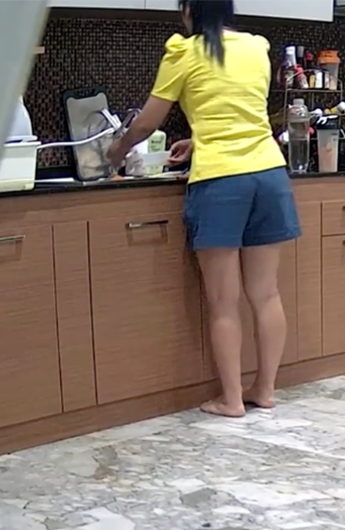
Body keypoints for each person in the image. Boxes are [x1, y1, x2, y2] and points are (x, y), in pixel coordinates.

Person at [107, 0, 298, 418]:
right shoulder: (255, 47)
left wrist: (116, 151)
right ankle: (264, 389)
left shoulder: (184, 51)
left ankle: (231, 400)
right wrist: (200, 139)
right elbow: (240, 114)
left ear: (190, 10)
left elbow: (145, 124)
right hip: (269, 174)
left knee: (223, 302)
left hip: (221, 181)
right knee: (266, 294)